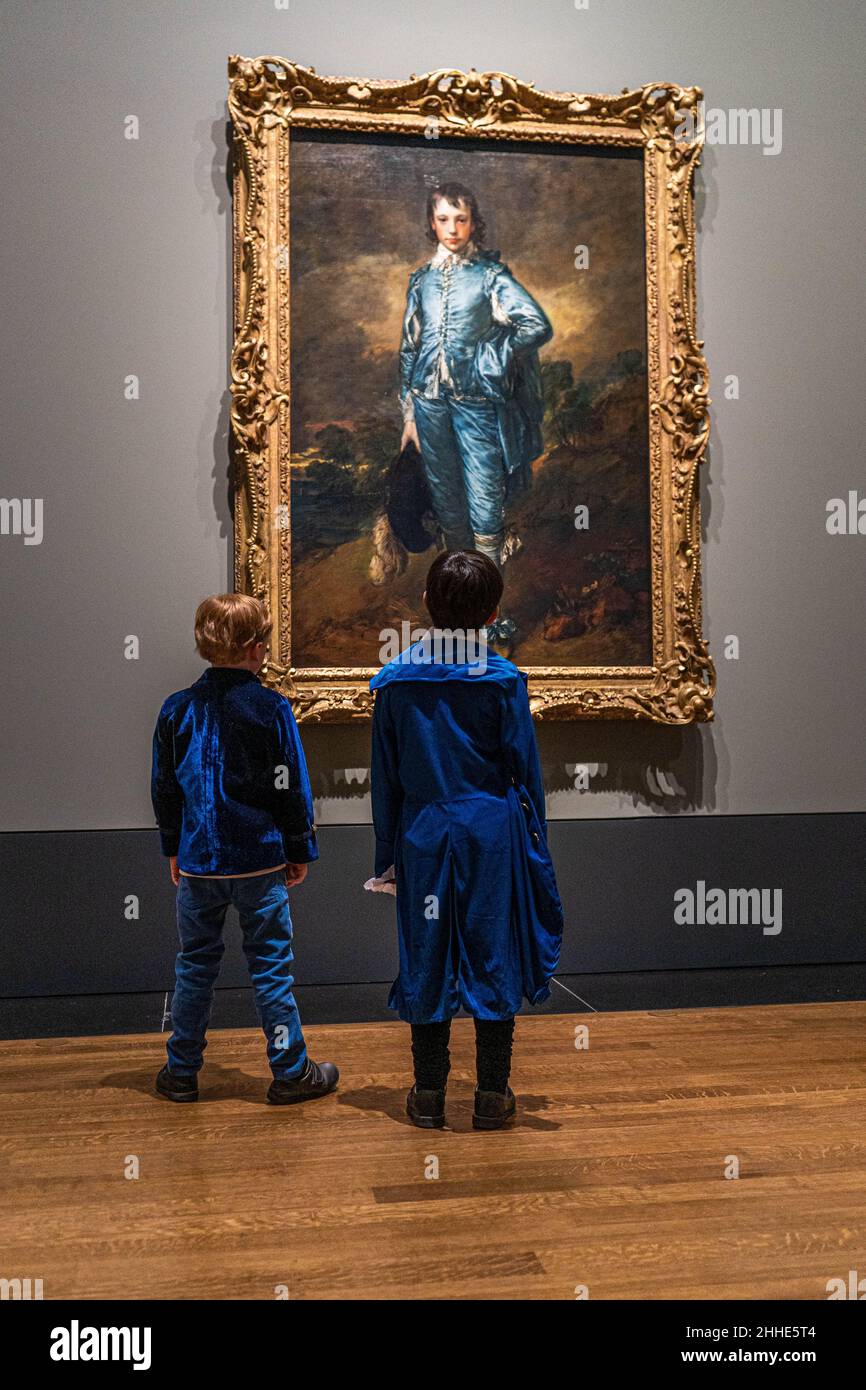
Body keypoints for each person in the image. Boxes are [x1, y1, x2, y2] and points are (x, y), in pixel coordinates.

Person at [369, 551, 563, 1130]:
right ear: (494, 612)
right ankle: (491, 1096)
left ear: (426, 603)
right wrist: (535, 845)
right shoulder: (503, 682)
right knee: (490, 950)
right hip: (490, 832)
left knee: (425, 952)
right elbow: (525, 773)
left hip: (423, 832)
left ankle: (427, 1094)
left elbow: (387, 780)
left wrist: (388, 856)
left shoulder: (395, 682)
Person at [150, 593, 338, 1105]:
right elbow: (291, 787)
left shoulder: (176, 709)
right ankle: (289, 1070)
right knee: (271, 969)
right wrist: (299, 847)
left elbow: (165, 788)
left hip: (198, 864)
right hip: (260, 860)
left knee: (194, 967)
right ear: (257, 648)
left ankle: (181, 1071)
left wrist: (174, 846)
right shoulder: (272, 708)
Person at [399, 182, 553, 643]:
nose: (452, 228)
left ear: (473, 223)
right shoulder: (421, 280)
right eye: (443, 219)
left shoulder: (490, 276)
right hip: (429, 406)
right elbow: (410, 347)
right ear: (432, 222)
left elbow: (535, 325)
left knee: (486, 511)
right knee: (450, 512)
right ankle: (455, 618)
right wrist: (409, 414)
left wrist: (492, 356)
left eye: (460, 219)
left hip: (478, 406)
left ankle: (489, 615)